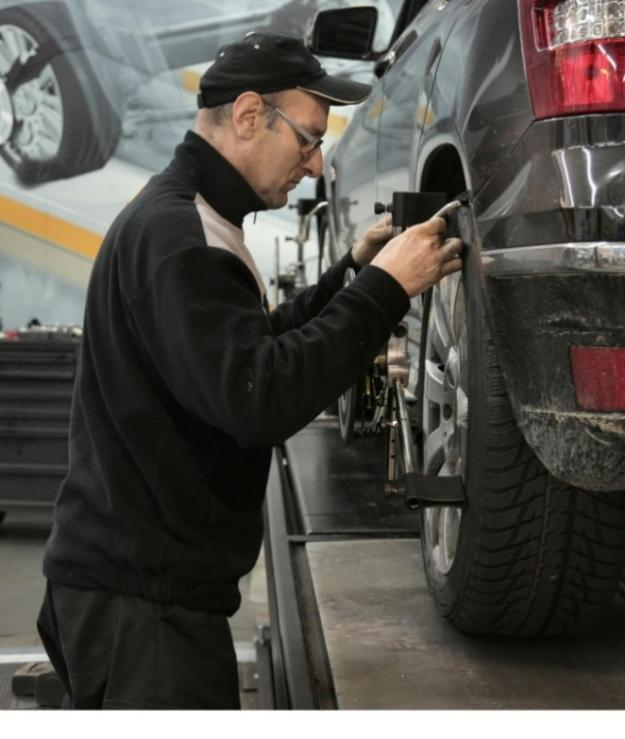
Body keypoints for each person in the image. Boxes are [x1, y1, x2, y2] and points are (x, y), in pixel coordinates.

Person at [36, 32, 463, 709]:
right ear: (248, 115)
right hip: (144, 612)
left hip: (137, 589)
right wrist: (384, 290)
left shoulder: (192, 217)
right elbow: (258, 395)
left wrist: (351, 274)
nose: (317, 162)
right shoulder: (179, 237)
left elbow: (246, 345)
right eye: (307, 138)